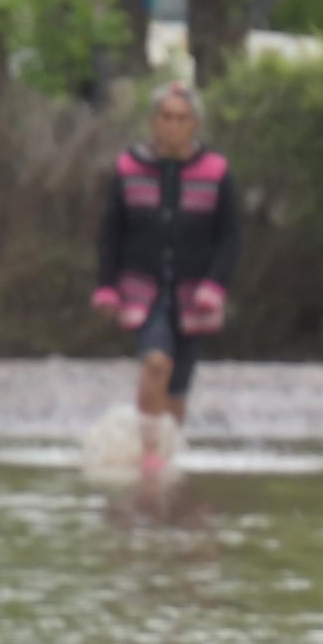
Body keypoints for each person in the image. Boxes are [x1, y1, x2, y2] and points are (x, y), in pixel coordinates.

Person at [94, 81, 234, 471]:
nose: (173, 125)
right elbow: (110, 232)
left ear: (194, 124)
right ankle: (150, 454)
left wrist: (216, 284)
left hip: (194, 293)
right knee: (156, 363)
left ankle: (167, 459)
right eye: (166, 117)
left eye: (181, 118)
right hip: (142, 289)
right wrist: (106, 286)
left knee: (177, 390)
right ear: (154, 121)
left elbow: (230, 236)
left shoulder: (216, 172)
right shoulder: (129, 167)